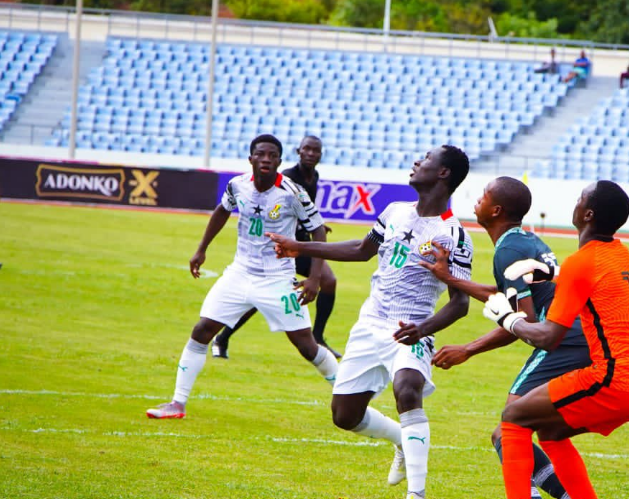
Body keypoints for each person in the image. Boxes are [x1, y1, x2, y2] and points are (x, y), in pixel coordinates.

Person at [267, 145, 473, 499]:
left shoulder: (454, 235)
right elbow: (362, 250)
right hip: (370, 322)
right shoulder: (394, 210)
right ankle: (400, 441)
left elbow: (461, 303)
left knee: (407, 388)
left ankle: (417, 494)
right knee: (344, 416)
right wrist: (301, 247)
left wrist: (422, 330)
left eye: (425, 159)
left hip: (411, 327)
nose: (416, 162)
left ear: (443, 174)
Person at [481, 180, 629, 499]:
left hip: (615, 379)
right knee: (551, 431)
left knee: (513, 418)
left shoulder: (582, 262)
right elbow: (588, 279)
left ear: (587, 214)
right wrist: (547, 274)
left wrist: (508, 319)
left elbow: (548, 337)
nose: (575, 203)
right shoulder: (621, 255)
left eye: (580, 199)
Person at [420, 176, 591, 499]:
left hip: (563, 340)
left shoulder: (508, 250)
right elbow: (508, 296)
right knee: (541, 429)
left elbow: (522, 320)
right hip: (579, 337)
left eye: (484, 195)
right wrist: (449, 277)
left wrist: (468, 349)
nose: (478, 198)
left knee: (509, 430)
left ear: (496, 209)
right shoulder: (524, 241)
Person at [145, 134, 339, 420]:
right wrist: (201, 250)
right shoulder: (237, 185)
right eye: (260, 154)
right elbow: (222, 210)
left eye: (272, 156)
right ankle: (177, 404)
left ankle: (350, 392)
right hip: (239, 272)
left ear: (279, 161)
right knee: (201, 332)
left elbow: (318, 230)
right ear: (250, 159)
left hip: (277, 277)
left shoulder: (292, 192)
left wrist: (314, 277)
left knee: (306, 346)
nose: (265, 159)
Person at [212, 135, 342, 360]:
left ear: (321, 155)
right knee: (256, 300)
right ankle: (222, 338)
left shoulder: (313, 176)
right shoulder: (288, 178)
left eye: (316, 151)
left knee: (328, 281)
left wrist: (316, 224)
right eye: (307, 149)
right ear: (298, 152)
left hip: (300, 244)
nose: (311, 154)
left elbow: (300, 211)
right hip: (279, 248)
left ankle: (318, 337)